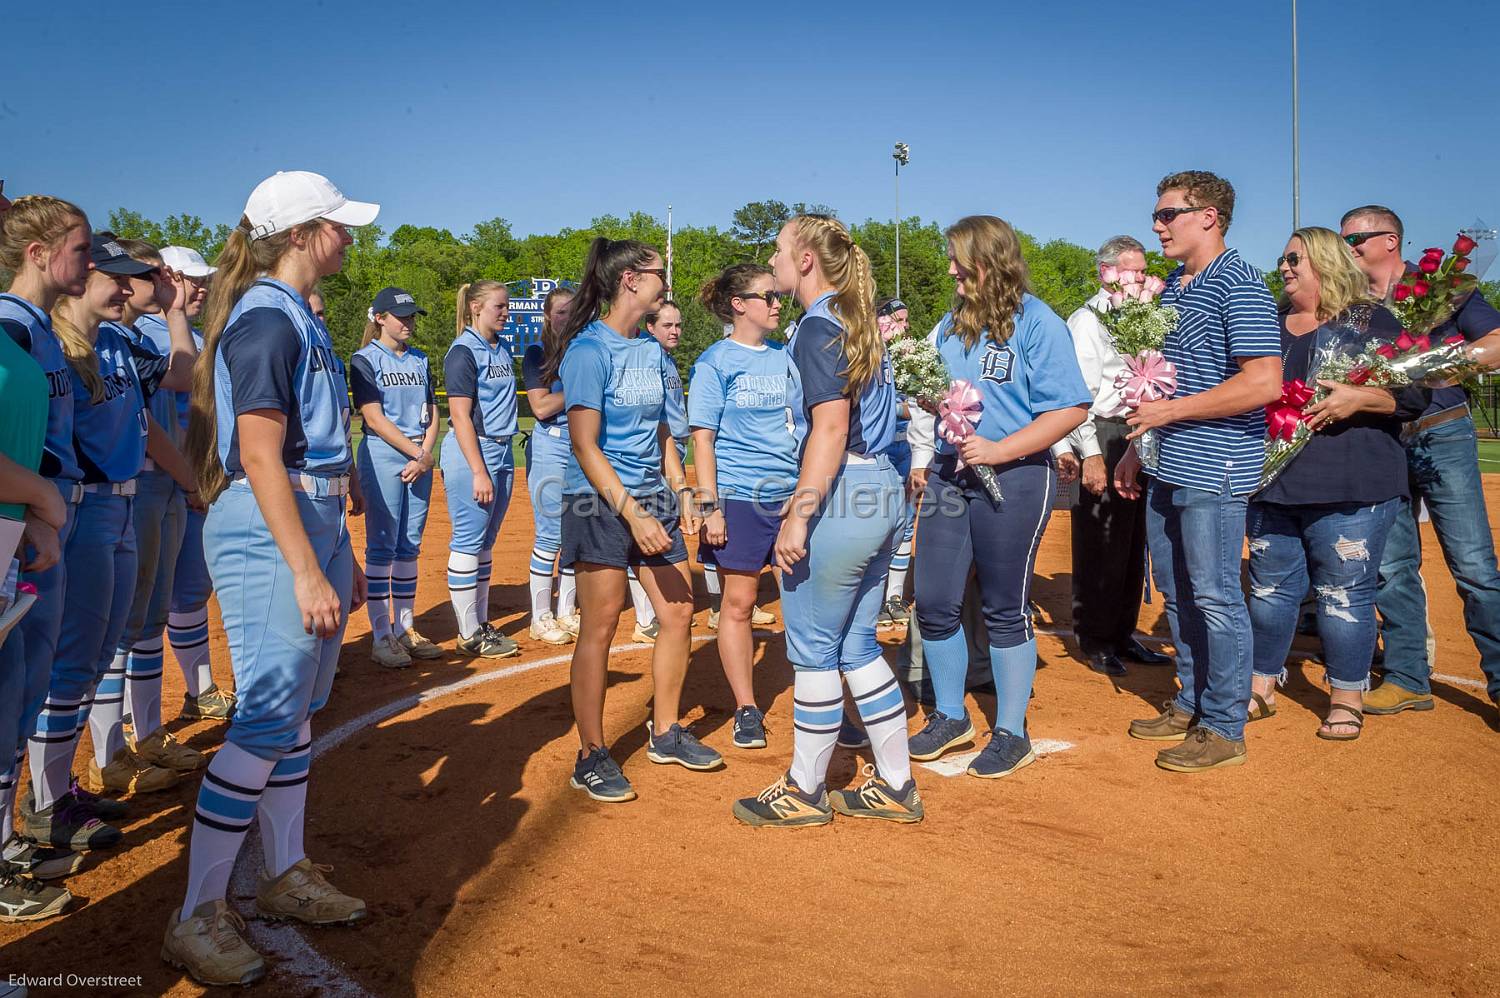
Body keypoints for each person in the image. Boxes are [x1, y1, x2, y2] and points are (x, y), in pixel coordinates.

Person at [164, 170, 377, 986]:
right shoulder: (266, 316)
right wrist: (304, 566)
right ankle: (196, 915)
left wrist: (338, 557)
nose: (348, 237)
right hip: (270, 525)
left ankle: (284, 872)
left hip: (310, 520)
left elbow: (314, 451)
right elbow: (258, 454)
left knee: (293, 717)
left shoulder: (296, 315)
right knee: (262, 720)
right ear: (298, 234)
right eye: (336, 225)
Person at [732, 214, 920, 827]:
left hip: (843, 494)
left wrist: (798, 516)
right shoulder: (856, 316)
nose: (776, 260)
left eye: (782, 250)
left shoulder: (817, 326)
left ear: (807, 259)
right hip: (882, 489)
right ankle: (895, 784)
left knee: (814, 652)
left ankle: (804, 789)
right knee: (857, 647)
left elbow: (831, 427)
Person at [907, 215, 1090, 776]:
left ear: (987, 260)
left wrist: (1002, 449)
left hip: (1014, 479)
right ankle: (950, 716)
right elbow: (936, 393)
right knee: (935, 601)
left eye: (957, 259)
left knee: (1005, 608)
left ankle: (1011, 731)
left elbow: (1070, 408)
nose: (950, 269)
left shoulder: (1039, 323)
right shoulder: (950, 323)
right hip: (948, 475)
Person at [1115, 170, 1282, 773]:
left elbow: (1264, 380)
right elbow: (1158, 377)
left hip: (1216, 465)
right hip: (1168, 461)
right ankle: (1190, 701)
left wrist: (1173, 411)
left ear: (1208, 216)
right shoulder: (1174, 290)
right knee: (1181, 593)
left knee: (1214, 596)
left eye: (1168, 215)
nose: (1156, 225)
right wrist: (1141, 443)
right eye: (1156, 215)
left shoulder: (1237, 282)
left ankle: (1225, 725)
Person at [31, 234, 197, 839]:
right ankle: (48, 801)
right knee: (70, 659)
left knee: (100, 653)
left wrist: (176, 310)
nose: (128, 289)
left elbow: (178, 381)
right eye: (117, 278)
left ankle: (63, 788)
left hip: (123, 505)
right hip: (82, 509)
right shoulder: (52, 344)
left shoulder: (116, 342)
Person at [552, 237, 719, 803]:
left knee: (678, 610)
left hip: (654, 495)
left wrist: (682, 491)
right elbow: (584, 445)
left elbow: (664, 432)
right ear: (629, 281)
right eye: (657, 273)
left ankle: (666, 731)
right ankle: (592, 753)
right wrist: (633, 513)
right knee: (602, 625)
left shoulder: (652, 352)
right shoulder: (587, 351)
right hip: (599, 502)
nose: (664, 281)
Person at [1247, 227, 1426, 741]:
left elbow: (1412, 398)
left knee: (1344, 594)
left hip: (1353, 484)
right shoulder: (1268, 325)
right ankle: (1261, 687)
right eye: (1282, 258)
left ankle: (1347, 694)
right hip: (1273, 482)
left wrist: (1358, 398)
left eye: (1294, 258)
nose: (1284, 267)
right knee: (1269, 590)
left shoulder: (1372, 322)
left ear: (1324, 262)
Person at [1340, 205, 1500, 719]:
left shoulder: (1443, 288)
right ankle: (1408, 677)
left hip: (1442, 432)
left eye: (1357, 238)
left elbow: (1495, 343)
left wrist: (1431, 364)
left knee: (1473, 566)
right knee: (1390, 566)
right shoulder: (1348, 302)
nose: (1349, 248)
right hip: (1381, 438)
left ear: (1391, 240)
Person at [0, 193, 81, 921]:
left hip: (20, 530)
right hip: (23, 519)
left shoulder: (28, 331)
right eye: (79, 248)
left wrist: (37, 516)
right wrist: (43, 504)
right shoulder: (11, 324)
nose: (87, 262)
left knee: (18, 694)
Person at [100, 239, 206, 782]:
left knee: (147, 618)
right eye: (147, 275)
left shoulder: (136, 334)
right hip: (135, 485)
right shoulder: (119, 335)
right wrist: (190, 477)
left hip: (162, 488)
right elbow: (151, 425)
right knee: (117, 625)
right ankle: (111, 750)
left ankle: (143, 734)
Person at [690, 264, 798, 750]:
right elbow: (703, 439)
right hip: (739, 495)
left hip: (795, 495)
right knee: (738, 604)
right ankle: (747, 708)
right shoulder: (715, 363)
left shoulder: (786, 358)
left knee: (807, 599)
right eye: (768, 297)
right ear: (739, 304)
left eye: (778, 297)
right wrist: (710, 506)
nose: (777, 304)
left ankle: (824, 699)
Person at [1060, 236, 1173, 675]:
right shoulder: (1086, 320)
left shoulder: (1142, 315)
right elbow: (1080, 396)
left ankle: (1124, 634)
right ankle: (1096, 639)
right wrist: (1090, 453)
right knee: (1099, 541)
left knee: (1131, 544)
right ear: (1105, 271)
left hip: (1140, 430)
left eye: (1144, 270)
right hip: (1105, 433)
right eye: (1132, 269)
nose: (1141, 277)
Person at [158, 245, 237, 721]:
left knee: (192, 589)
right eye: (193, 280)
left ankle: (199, 687)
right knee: (143, 607)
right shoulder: (149, 333)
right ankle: (132, 714)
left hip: (198, 483)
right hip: (165, 482)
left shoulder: (204, 337)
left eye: (205, 280)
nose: (203, 287)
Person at [351, 287, 442, 668]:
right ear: (380, 319)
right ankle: (381, 634)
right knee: (382, 546)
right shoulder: (364, 359)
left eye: (411, 315)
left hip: (418, 456)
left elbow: (434, 410)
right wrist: (417, 453)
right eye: (400, 316)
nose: (408, 322)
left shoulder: (420, 359)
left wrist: (426, 454)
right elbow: (372, 417)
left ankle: (405, 626)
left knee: (409, 544)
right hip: (385, 453)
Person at [442, 281, 521, 659]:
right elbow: (459, 416)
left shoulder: (501, 347)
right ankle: (468, 632)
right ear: (475, 307)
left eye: (506, 307)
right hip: (474, 453)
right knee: (468, 541)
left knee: (485, 544)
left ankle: (481, 621)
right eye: (499, 307)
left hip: (502, 450)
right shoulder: (463, 351)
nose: (506, 313)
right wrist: (478, 470)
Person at [521, 287, 579, 645]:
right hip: (551, 447)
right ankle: (540, 616)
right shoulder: (537, 353)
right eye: (559, 312)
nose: (566, 318)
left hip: (580, 448)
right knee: (550, 534)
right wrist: (581, 387)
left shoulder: (583, 352)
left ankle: (566, 610)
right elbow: (541, 408)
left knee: (574, 533)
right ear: (547, 316)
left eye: (572, 311)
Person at [875, 296, 917, 629]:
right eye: (895, 320)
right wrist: (906, 409)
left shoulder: (913, 357)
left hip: (908, 450)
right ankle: (872, 597)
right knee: (877, 523)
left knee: (906, 522)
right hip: (879, 452)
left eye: (904, 321)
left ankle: (894, 595)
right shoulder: (869, 354)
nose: (902, 327)